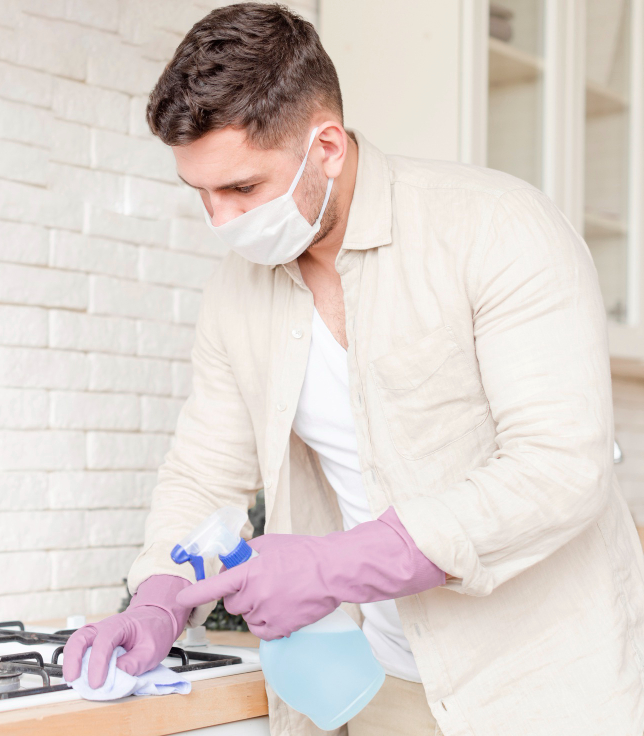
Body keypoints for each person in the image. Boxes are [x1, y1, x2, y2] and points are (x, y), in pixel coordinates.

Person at [62, 4, 644, 735]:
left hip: (539, 685)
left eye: (241, 189)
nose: (220, 221)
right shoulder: (238, 292)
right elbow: (204, 475)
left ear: (327, 146)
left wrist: (330, 567)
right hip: (378, 682)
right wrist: (157, 597)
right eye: (200, 195)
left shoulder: (498, 228)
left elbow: (560, 469)